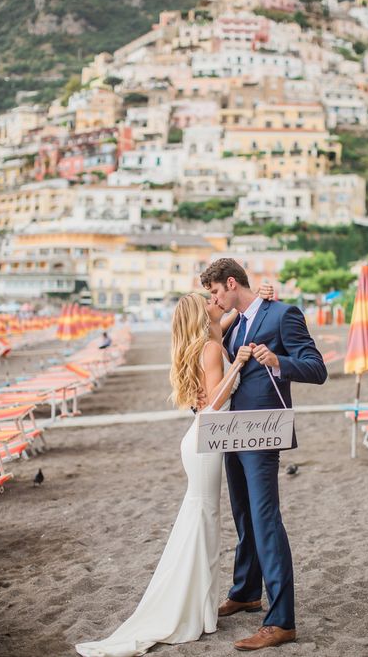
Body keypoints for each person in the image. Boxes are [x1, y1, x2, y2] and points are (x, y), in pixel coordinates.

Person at [75, 285, 272, 657]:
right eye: (209, 302)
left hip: (200, 440)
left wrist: (259, 295)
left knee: (203, 521)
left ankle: (198, 610)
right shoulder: (212, 348)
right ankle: (190, 610)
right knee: (203, 520)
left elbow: (234, 315)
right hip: (205, 441)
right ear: (202, 315)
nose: (216, 302)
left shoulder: (209, 339)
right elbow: (215, 402)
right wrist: (242, 365)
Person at [200, 258, 327, 651]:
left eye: (217, 292)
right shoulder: (233, 323)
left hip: (264, 433)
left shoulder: (283, 314)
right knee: (244, 517)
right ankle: (246, 591)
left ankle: (281, 621)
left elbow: (317, 368)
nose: (215, 299)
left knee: (266, 520)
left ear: (232, 282)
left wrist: (278, 361)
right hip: (230, 432)